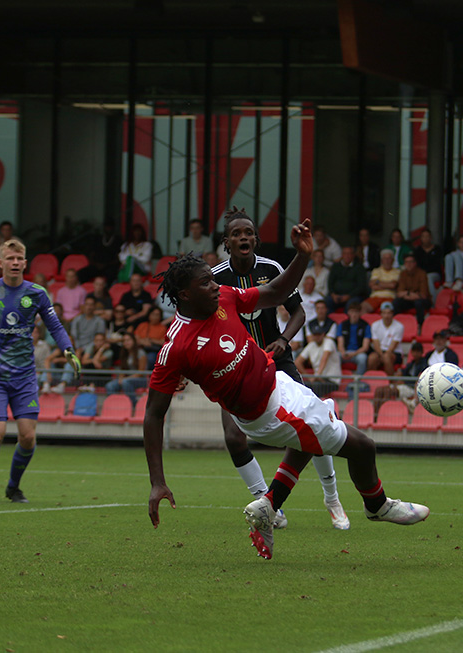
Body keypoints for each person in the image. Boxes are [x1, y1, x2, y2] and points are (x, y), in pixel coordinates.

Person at [143, 221, 429, 561]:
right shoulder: (177, 347)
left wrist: (302, 256)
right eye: (205, 282)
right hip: (266, 411)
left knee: (308, 442)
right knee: (363, 447)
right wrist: (157, 481)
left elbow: (275, 294)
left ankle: (268, 506)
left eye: (212, 277)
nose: (214, 285)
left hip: (278, 382)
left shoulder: (226, 297)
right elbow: (153, 414)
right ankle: (377, 505)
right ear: (186, 294)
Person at [212, 208, 349, 531]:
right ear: (226, 242)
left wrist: (284, 340)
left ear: (255, 239)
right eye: (236, 233)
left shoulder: (271, 268)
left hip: (277, 359)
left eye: (248, 232)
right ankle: (268, 503)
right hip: (238, 366)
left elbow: (298, 312)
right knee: (233, 437)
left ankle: (332, 499)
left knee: (314, 424)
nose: (243, 237)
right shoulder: (215, 278)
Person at [0, 237, 81, 503]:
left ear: (25, 262)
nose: (14, 262)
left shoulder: (37, 293)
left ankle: (13, 487)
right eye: (9, 258)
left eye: (19, 258)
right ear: (0, 263)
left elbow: (55, 326)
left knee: (27, 436)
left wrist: (68, 349)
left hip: (24, 375)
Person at [295, 322, 342, 397]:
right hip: (318, 379)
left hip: (331, 380)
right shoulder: (311, 345)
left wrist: (317, 375)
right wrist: (309, 377)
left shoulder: (329, 342)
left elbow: (324, 358)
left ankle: (316, 407)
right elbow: (297, 362)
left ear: (323, 334)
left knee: (316, 387)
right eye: (315, 335)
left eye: (319, 334)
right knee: (302, 385)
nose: (317, 337)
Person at [106, 332, 149, 402]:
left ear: (134, 341)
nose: (126, 342)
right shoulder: (124, 354)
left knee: (125, 382)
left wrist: (125, 379)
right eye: (124, 341)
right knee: (110, 385)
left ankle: (133, 406)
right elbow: (122, 370)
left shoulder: (141, 353)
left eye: (128, 340)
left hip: (141, 380)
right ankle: (115, 406)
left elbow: (141, 372)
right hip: (127, 379)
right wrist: (120, 378)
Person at [326, 246, 369, 313]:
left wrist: (349, 296)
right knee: (327, 301)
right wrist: (333, 294)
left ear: (353, 255)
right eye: (345, 253)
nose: (347, 256)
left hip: (353, 296)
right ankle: (330, 322)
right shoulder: (336, 266)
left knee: (351, 305)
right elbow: (330, 283)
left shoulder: (359, 268)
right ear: (342, 255)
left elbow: (361, 286)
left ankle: (346, 323)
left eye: (349, 254)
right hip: (337, 296)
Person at [368, 301, 405, 377]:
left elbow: (393, 346)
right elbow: (376, 344)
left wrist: (383, 356)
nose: (386, 316)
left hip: (394, 352)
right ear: (381, 314)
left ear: (392, 314)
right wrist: (381, 355)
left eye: (388, 313)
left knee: (386, 357)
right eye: (384, 313)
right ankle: (371, 381)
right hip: (380, 351)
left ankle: (390, 382)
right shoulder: (375, 325)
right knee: (372, 358)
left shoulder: (399, 326)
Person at [393, 253, 431, 325]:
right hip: (410, 299)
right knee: (396, 302)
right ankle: (397, 324)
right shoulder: (403, 274)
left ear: (415, 263)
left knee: (419, 303)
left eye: (411, 262)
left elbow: (423, 294)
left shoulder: (422, 273)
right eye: (406, 262)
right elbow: (399, 293)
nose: (408, 264)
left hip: (422, 300)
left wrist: (407, 293)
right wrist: (409, 294)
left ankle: (420, 325)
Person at [336, 302, 372, 376]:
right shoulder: (342, 325)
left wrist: (353, 354)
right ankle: (336, 379)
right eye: (352, 312)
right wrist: (343, 352)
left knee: (362, 358)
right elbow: (340, 344)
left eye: (356, 312)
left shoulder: (365, 325)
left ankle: (357, 381)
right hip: (345, 352)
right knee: (335, 356)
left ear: (360, 313)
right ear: (348, 312)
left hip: (357, 353)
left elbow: (365, 347)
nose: (354, 314)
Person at [362, 249, 400, 313]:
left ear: (393, 260)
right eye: (385, 258)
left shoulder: (398, 272)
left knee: (387, 312)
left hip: (390, 298)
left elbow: (393, 285)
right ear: (382, 260)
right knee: (362, 308)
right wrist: (388, 285)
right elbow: (372, 285)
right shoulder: (376, 270)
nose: (387, 261)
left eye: (389, 258)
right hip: (375, 297)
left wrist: (377, 282)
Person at [413, 228, 443, 299]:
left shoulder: (437, 249)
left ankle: (432, 302)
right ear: (421, 238)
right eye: (423, 236)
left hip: (434, 274)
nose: (425, 238)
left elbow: (437, 264)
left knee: (428, 278)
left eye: (427, 236)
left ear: (431, 238)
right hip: (421, 274)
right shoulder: (418, 250)